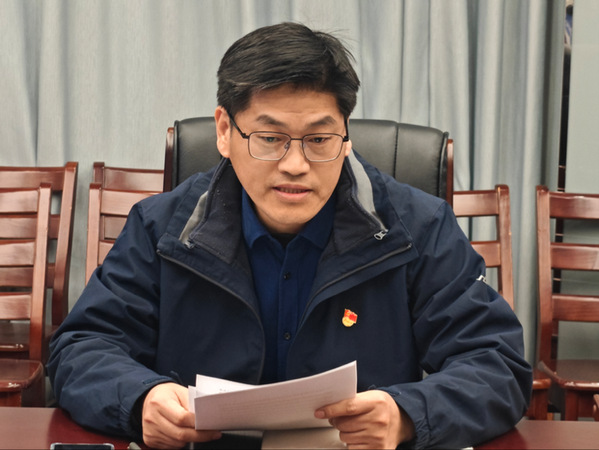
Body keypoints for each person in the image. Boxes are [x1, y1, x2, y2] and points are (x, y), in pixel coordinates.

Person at [48, 22, 532, 449]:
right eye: (270, 138)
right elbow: (82, 347)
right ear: (224, 131)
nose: (296, 164)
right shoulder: (162, 228)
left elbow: (497, 365)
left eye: (319, 139)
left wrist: (407, 415)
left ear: (346, 136)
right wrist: (142, 400)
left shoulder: (417, 228)